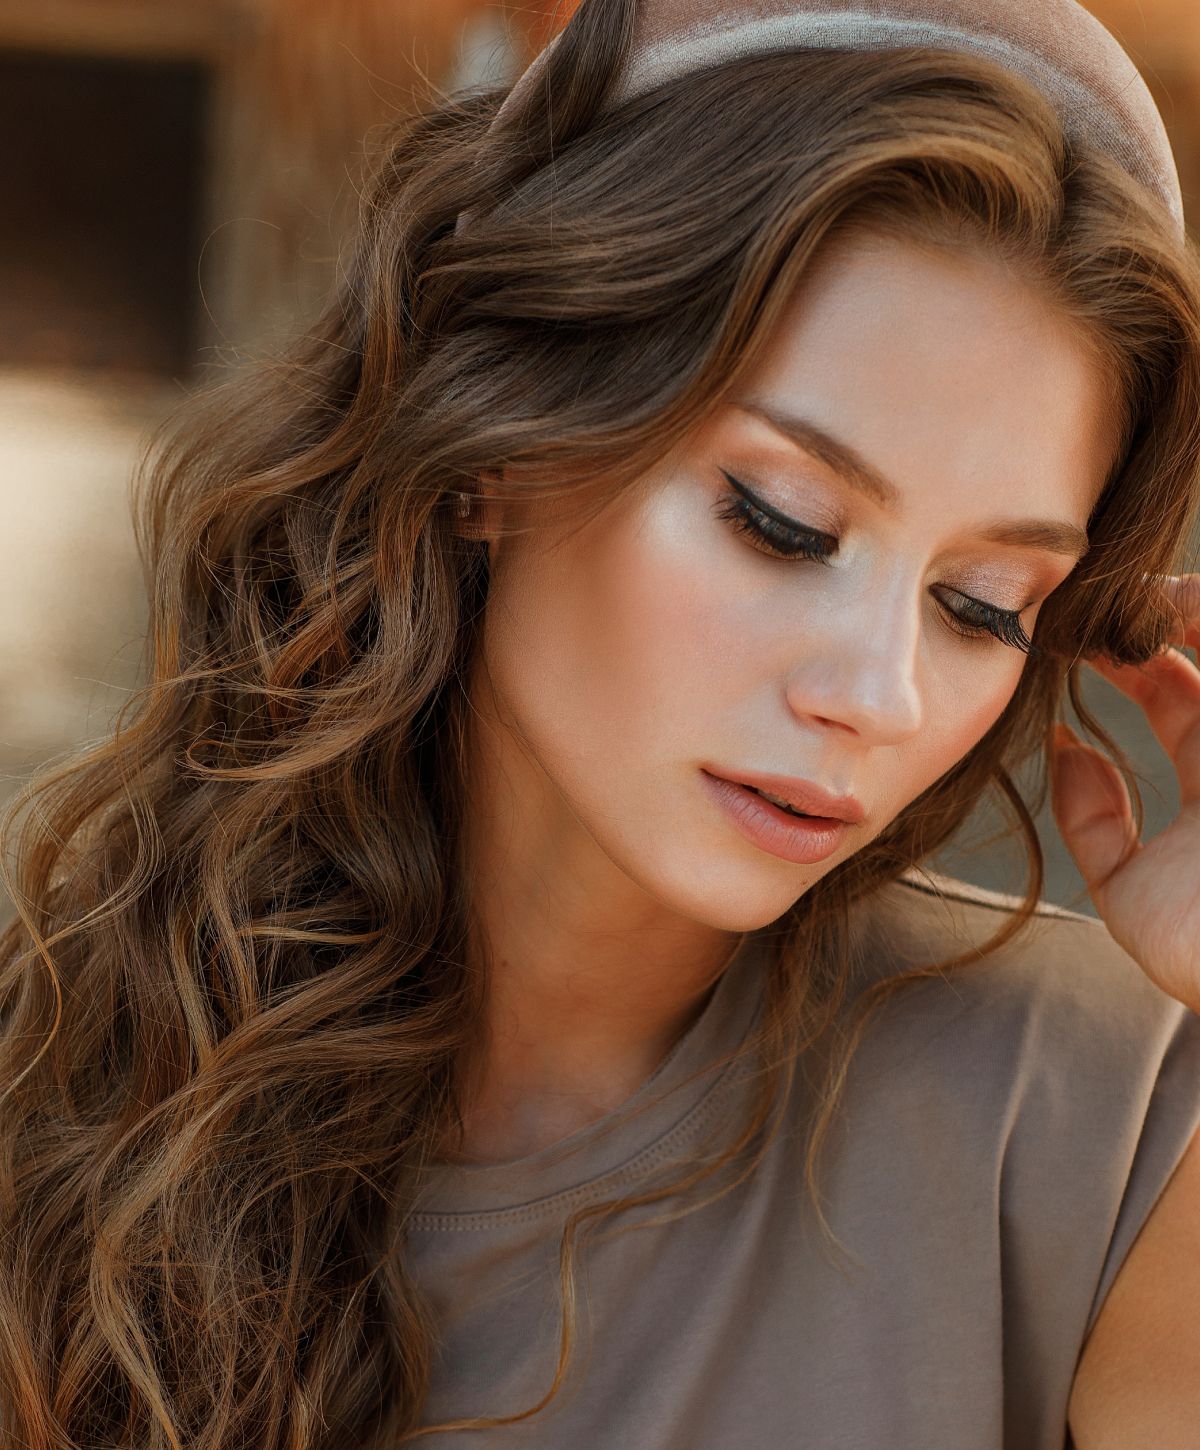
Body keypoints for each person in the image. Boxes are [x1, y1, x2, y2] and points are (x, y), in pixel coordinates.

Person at [2, 0, 1200, 1445]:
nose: (877, 694)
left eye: (984, 604)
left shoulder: (1110, 1121)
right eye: (781, 522)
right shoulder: (49, 1079)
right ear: (492, 448)